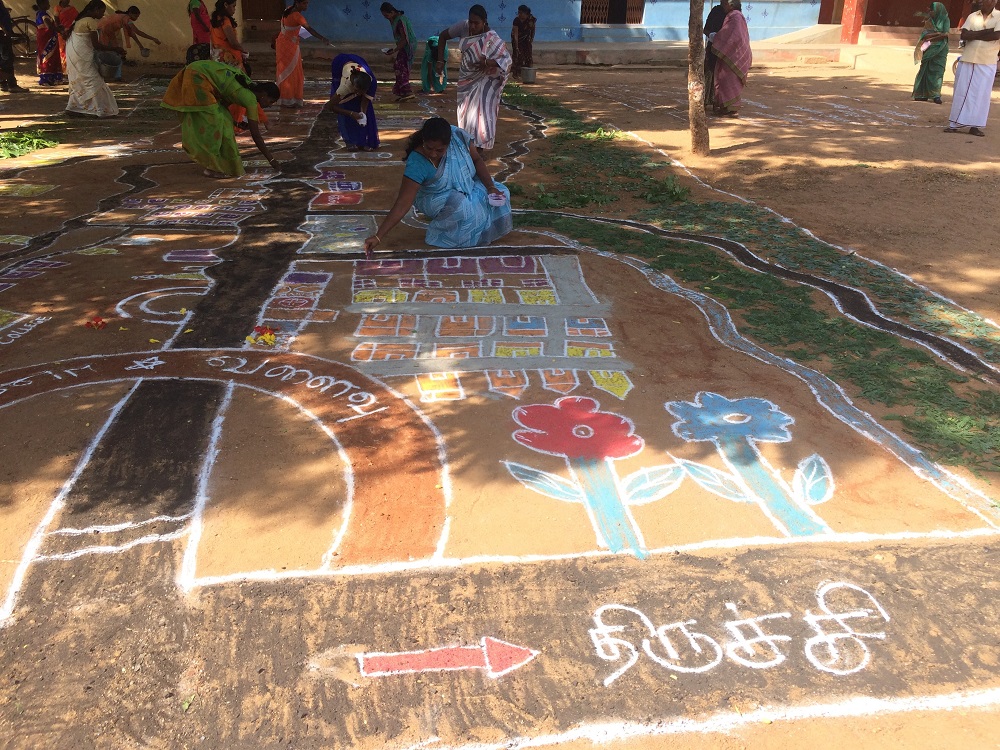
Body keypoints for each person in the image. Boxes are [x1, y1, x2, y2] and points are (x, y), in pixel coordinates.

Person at [364, 117, 512, 255]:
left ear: (449, 143)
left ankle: (481, 232)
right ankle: (442, 234)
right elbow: (403, 203)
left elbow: (477, 160)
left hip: (466, 186)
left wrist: (491, 187)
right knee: (462, 206)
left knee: (501, 192)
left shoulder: (458, 137)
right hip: (433, 196)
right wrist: (378, 236)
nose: (433, 154)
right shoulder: (417, 162)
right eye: (429, 148)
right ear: (423, 141)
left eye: (440, 150)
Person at [161, 59, 281, 178]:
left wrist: (235, 123)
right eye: (270, 101)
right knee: (215, 122)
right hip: (198, 76)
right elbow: (256, 136)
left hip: (197, 70)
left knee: (225, 120)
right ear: (264, 94)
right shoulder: (250, 99)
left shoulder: (247, 86)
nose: (269, 105)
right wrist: (271, 159)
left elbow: (223, 105)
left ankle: (217, 165)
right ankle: (212, 167)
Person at [435, 5, 512, 152]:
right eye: (471, 22)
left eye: (476, 23)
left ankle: (479, 149)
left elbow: (506, 60)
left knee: (483, 113)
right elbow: (443, 36)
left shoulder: (491, 38)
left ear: (484, 22)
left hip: (484, 79)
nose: (472, 25)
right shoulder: (463, 27)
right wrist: (440, 60)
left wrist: (487, 62)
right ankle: (468, 144)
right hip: (466, 78)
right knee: (466, 113)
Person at [946, 0, 1000, 135]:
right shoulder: (972, 16)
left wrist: (975, 35)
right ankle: (954, 124)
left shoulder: (999, 16)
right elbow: (964, 35)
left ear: (995, 2)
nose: (986, 2)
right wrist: (987, 32)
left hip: (987, 62)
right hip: (968, 59)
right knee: (961, 91)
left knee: (981, 94)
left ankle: (975, 126)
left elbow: (996, 35)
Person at [65, 0, 121, 117]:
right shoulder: (90, 21)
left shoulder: (79, 20)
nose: (102, 14)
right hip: (82, 56)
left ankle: (74, 107)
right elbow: (96, 45)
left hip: (74, 55)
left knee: (80, 80)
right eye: (101, 11)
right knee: (93, 80)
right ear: (96, 10)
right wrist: (115, 49)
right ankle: (99, 109)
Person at [275, 0, 332, 108]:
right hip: (289, 47)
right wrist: (323, 39)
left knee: (286, 70)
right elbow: (309, 29)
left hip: (282, 43)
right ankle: (289, 99)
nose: (306, 6)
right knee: (292, 72)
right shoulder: (297, 16)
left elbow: (290, 28)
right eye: (304, 3)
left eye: (307, 3)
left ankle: (286, 98)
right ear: (297, 3)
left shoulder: (288, 9)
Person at [329, 53, 379, 151]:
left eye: (362, 92)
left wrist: (362, 115)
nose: (359, 94)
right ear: (353, 86)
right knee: (345, 106)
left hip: (358, 61)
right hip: (339, 63)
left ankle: (363, 140)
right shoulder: (344, 87)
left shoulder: (372, 83)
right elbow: (331, 106)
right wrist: (351, 114)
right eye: (357, 91)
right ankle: (349, 141)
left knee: (366, 112)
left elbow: (365, 103)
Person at [710, 0, 751, 117]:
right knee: (724, 80)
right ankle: (725, 107)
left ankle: (731, 109)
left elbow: (731, 35)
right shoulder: (736, 16)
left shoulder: (735, 17)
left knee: (728, 81)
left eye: (724, 4)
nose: (722, 6)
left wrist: (715, 37)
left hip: (733, 54)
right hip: (731, 53)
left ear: (731, 5)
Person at [98, 6, 160, 79]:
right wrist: (153, 39)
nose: (136, 18)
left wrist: (141, 47)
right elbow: (137, 32)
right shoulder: (126, 19)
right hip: (102, 31)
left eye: (138, 16)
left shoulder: (124, 18)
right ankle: (108, 74)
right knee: (104, 52)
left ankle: (116, 75)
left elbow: (132, 34)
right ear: (130, 13)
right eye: (135, 16)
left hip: (109, 33)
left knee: (117, 52)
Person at [913, 3, 951, 104]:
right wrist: (937, 34)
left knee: (938, 72)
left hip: (940, 49)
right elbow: (925, 35)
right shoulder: (929, 21)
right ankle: (922, 94)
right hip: (929, 48)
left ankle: (936, 95)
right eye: (930, 11)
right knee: (925, 70)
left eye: (932, 10)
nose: (930, 12)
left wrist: (932, 36)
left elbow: (945, 34)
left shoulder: (945, 19)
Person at [379, 3, 415, 101]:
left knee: (401, 66)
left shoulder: (400, 21)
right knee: (398, 65)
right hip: (403, 46)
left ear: (392, 12)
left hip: (407, 46)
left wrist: (394, 50)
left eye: (387, 15)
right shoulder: (395, 20)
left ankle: (407, 91)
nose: (386, 18)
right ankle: (403, 91)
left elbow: (404, 39)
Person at [0, 2, 28, 92]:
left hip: (3, 33)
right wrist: (5, 30)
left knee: (2, 59)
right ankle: (12, 85)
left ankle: (3, 84)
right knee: (7, 59)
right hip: (2, 34)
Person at [210, 0, 246, 70]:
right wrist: (242, 50)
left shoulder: (216, 19)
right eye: (233, 6)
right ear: (226, 5)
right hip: (230, 60)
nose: (234, 9)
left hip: (217, 58)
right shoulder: (225, 21)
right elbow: (233, 43)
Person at [703, 1, 726, 108]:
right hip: (713, 47)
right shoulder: (716, 11)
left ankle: (720, 102)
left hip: (727, 49)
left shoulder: (735, 14)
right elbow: (705, 29)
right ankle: (706, 99)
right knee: (710, 71)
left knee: (724, 75)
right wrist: (713, 36)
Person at [34, 1, 63, 86]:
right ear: (41, 4)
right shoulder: (43, 14)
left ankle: (52, 77)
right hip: (46, 38)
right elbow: (49, 26)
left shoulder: (41, 13)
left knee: (51, 56)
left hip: (45, 38)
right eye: (46, 3)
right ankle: (46, 78)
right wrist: (59, 29)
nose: (49, 5)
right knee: (48, 57)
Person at [511, 5, 535, 79]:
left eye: (521, 13)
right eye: (519, 13)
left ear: (526, 13)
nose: (519, 14)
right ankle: (516, 73)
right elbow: (515, 33)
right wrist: (516, 46)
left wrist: (531, 38)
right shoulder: (516, 20)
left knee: (528, 55)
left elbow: (533, 29)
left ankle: (527, 73)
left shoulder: (531, 19)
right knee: (518, 55)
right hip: (517, 38)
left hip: (526, 39)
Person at [56, 0, 79, 75]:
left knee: (72, 50)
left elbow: (77, 19)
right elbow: (57, 22)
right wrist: (62, 32)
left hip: (72, 32)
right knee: (63, 52)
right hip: (62, 33)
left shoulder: (72, 9)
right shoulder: (57, 8)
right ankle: (65, 71)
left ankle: (73, 70)